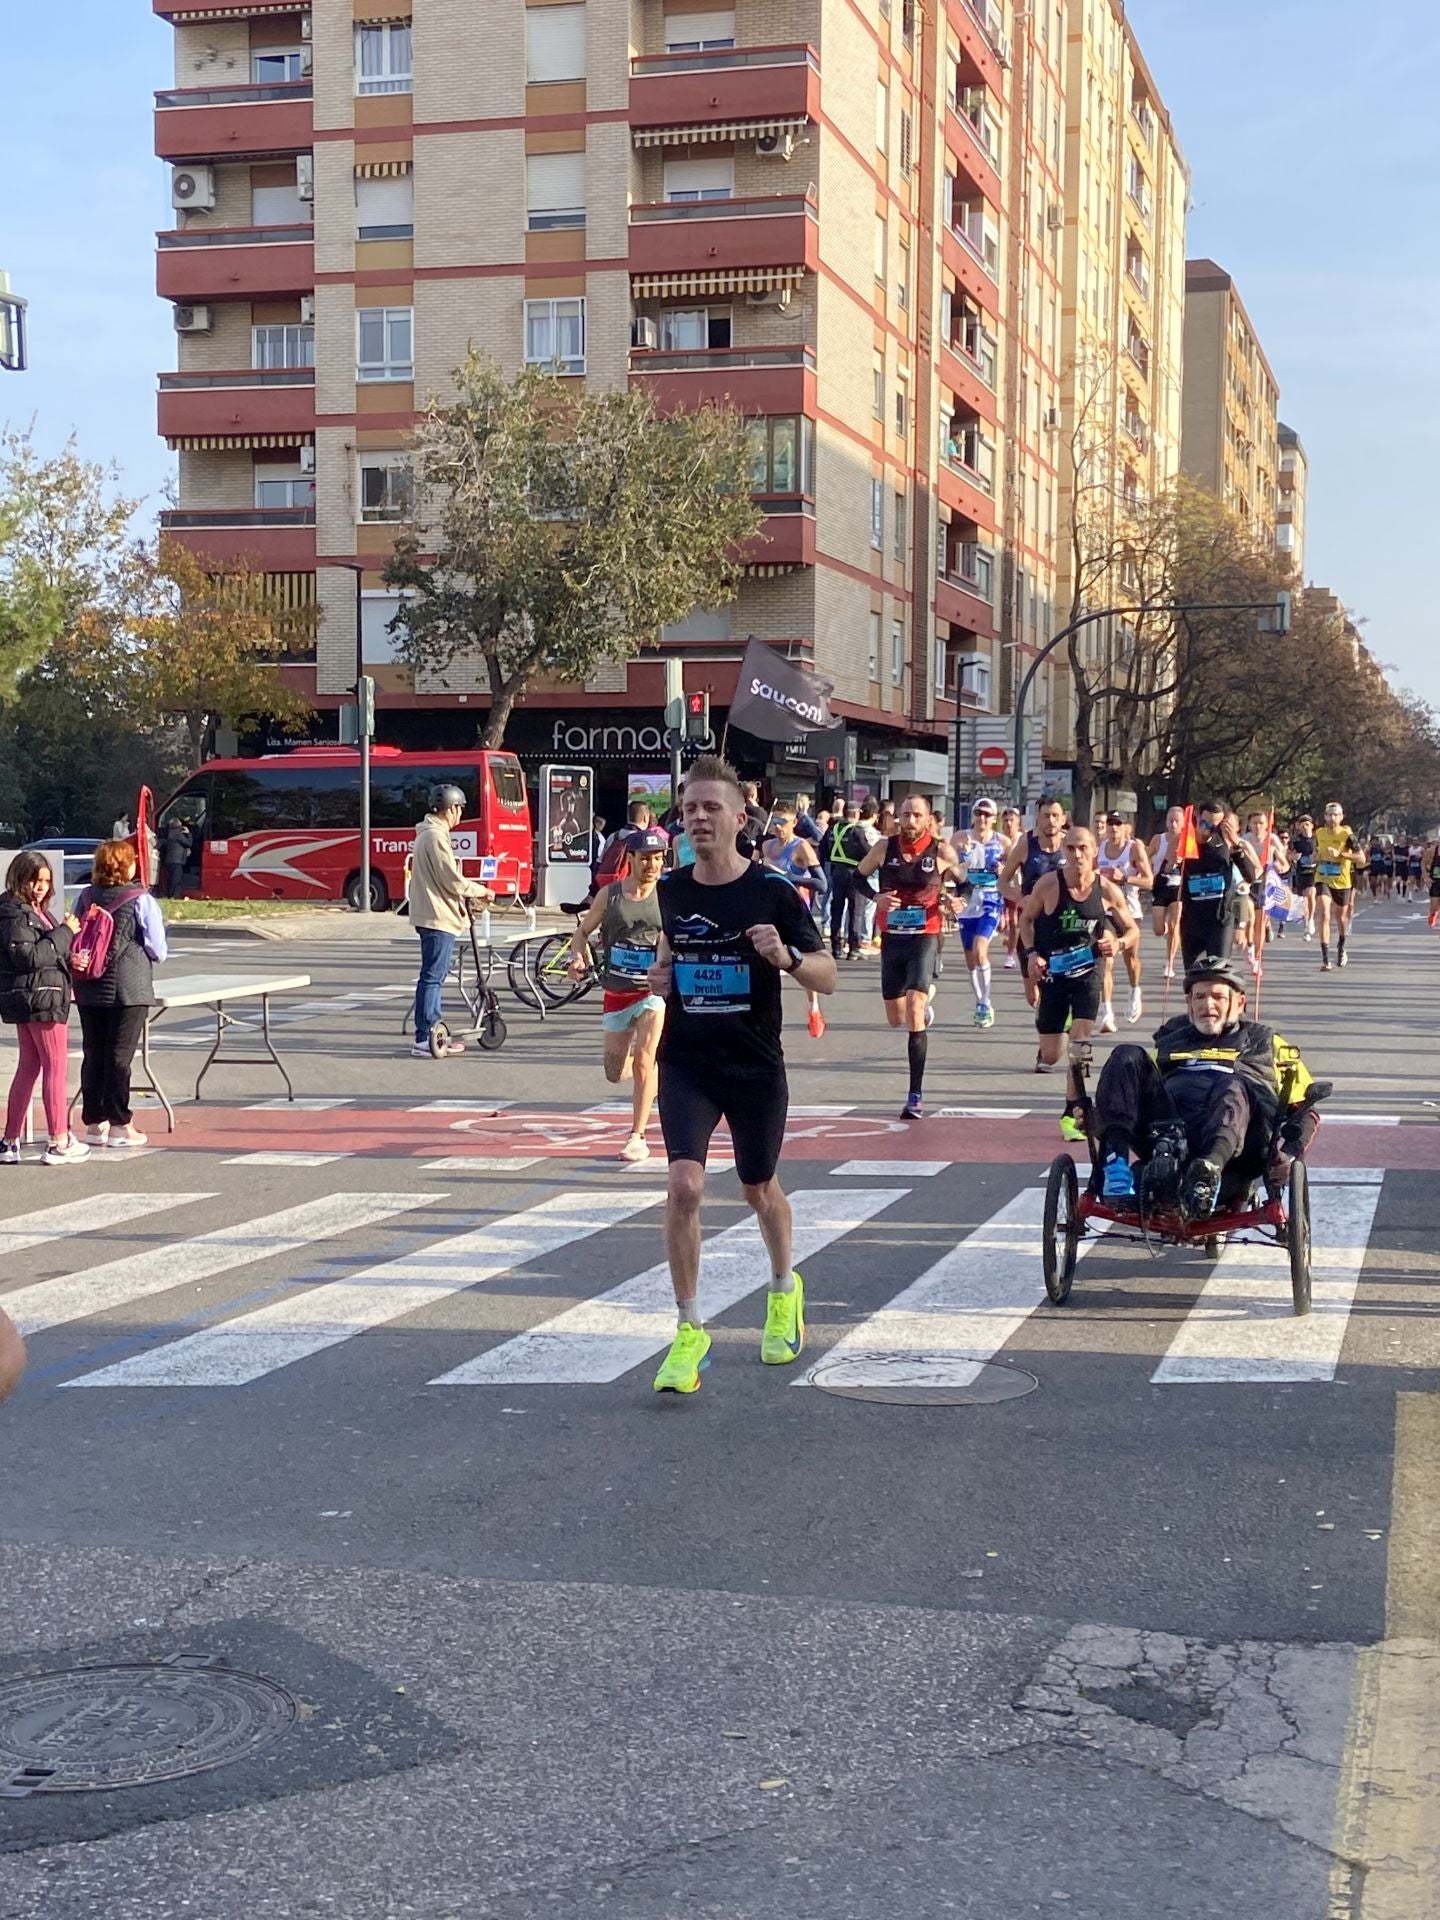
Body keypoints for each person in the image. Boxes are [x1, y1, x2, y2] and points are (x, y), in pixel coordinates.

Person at [646, 754, 835, 1394]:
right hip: (688, 1060)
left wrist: (784, 957)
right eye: (690, 808)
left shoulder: (774, 891)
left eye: (711, 807)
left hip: (754, 1064)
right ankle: (688, 1330)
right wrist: (657, 976)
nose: (698, 817)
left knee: (759, 1188)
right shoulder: (671, 890)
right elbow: (668, 954)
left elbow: (827, 975)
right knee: (684, 1186)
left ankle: (784, 1288)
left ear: (739, 817)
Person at [1093, 953, 1320, 1220]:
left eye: (1217, 996)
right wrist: (1089, 1113)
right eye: (1199, 996)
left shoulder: (1267, 1042)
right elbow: (1132, 1093)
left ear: (1239, 1003)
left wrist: (1290, 1154)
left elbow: (1306, 1110)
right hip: (1170, 1135)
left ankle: (1208, 1172)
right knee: (1126, 1054)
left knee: (1230, 1082)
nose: (1207, 1004)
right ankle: (1115, 1165)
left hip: (1240, 1144)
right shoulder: (1170, 1039)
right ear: (1189, 1002)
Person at [1018, 826, 1138, 1138]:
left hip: (1089, 971)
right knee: (1051, 1055)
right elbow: (1026, 921)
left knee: (1081, 1043)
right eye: (1070, 849)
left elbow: (1131, 930)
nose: (1077, 855)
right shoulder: (1048, 885)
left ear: (1094, 851)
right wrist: (1031, 954)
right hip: (1054, 974)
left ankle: (1075, 1108)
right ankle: (1055, 1024)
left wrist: (1120, 944)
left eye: (1083, 848)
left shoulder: (1107, 889)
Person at [855, 794, 962, 1119]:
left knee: (914, 1012)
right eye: (906, 814)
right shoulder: (884, 848)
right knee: (895, 1017)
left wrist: (955, 902)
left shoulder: (941, 850)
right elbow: (857, 877)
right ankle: (922, 1001)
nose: (911, 821)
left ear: (928, 819)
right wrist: (877, 898)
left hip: (924, 935)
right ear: (897, 817)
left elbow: (965, 884)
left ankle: (915, 1095)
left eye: (917, 815)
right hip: (892, 937)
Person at [569, 827, 668, 1163]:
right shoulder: (609, 895)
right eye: (645, 859)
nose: (652, 866)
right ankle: (652, 1075)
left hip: (652, 992)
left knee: (644, 1058)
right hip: (616, 991)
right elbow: (581, 933)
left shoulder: (667, 895)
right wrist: (577, 956)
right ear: (631, 860)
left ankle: (637, 1136)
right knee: (614, 1071)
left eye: (658, 859)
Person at [72, 838, 168, 1148]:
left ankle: (94, 1124)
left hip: (88, 985)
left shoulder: (86, 897)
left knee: (94, 1053)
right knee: (119, 1056)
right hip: (129, 987)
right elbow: (158, 949)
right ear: (127, 865)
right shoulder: (140, 899)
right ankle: (120, 1124)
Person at [0, 851, 88, 1166]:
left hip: (34, 995)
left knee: (30, 1066)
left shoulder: (29, 911)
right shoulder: (17, 914)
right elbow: (29, 957)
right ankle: (58, 1141)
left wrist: (69, 959)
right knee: (55, 1067)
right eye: (35, 880)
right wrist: (65, 932)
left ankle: (10, 1140)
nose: (41, 887)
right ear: (20, 878)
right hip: (41, 997)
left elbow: (44, 954)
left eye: (46, 881)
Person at [407, 784, 494, 1057]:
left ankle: (429, 1033)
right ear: (452, 808)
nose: (460, 815)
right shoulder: (435, 836)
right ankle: (427, 1036)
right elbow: (451, 879)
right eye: (460, 809)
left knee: (432, 976)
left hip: (432, 913)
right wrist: (481, 889)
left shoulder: (429, 833)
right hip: (437, 916)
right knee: (433, 978)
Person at [762, 803, 827, 1038]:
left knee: (803, 964)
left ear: (794, 823)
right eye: (775, 823)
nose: (778, 828)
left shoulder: (801, 847)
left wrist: (791, 877)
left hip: (797, 911)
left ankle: (814, 1008)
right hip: (769, 912)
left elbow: (822, 884)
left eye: (783, 823)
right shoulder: (766, 846)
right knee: (766, 963)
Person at [999, 796, 1068, 1011]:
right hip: (1032, 926)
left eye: (1056, 816)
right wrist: (1021, 898)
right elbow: (1002, 882)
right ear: (1038, 818)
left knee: (1058, 990)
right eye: (1046, 816)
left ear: (1063, 819)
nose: (1051, 821)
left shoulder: (1071, 845)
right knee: (1034, 996)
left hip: (1063, 924)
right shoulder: (1026, 846)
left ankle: (1053, 1035)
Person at [1177, 802, 1260, 971]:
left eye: (1215, 826)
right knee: (1193, 975)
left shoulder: (1227, 842)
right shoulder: (1186, 841)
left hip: (1221, 917)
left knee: (1218, 971)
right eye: (1206, 824)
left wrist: (1236, 844)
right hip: (1193, 918)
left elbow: (1250, 876)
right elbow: (1165, 873)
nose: (1210, 830)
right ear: (1198, 818)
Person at [951, 796, 1008, 1028]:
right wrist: (961, 861)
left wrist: (1005, 871)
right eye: (978, 813)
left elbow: (1014, 872)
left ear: (994, 819)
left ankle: (985, 1002)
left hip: (991, 900)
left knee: (980, 949)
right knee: (971, 959)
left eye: (987, 814)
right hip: (967, 902)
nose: (982, 818)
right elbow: (949, 871)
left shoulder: (1003, 842)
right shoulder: (959, 838)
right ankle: (980, 1000)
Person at [1096, 811, 1152, 1027]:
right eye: (1110, 823)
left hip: (1129, 912)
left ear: (1126, 827)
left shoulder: (1134, 848)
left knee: (1130, 960)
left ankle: (1134, 991)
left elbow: (1149, 881)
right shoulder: (1099, 847)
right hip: (1106, 911)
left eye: (1118, 824)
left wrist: (1125, 878)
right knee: (1106, 960)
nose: (1113, 828)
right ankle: (1107, 1013)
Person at [1314, 800, 1365, 971]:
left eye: (1335, 814)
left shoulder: (1347, 835)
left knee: (1341, 918)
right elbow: (1316, 852)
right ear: (1324, 816)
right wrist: (1315, 857)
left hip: (1342, 880)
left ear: (1341, 817)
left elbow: (1361, 858)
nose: (1332, 818)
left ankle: (1341, 946)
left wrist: (1341, 854)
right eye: (1329, 814)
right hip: (1323, 877)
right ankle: (1325, 958)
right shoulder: (1319, 833)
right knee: (1324, 914)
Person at [1146, 805, 1186, 981]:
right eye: (1170, 820)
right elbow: (1145, 856)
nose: (1173, 824)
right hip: (1160, 884)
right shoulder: (1158, 839)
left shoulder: (1187, 840)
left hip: (1179, 886)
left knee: (1173, 926)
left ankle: (1169, 963)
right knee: (1158, 929)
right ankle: (1168, 936)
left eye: (1177, 820)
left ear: (1183, 822)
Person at [998, 805, 1024, 969]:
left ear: (1018, 822)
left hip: (1016, 886)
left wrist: (1009, 867)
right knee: (1001, 924)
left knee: (1014, 922)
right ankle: (1007, 935)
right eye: (1005, 820)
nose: (1008, 824)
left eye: (1011, 820)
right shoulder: (998, 840)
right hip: (998, 887)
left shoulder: (1023, 840)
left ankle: (1010, 954)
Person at [1289, 814, 1319, 940]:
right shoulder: (1296, 841)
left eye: (1307, 824)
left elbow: (1323, 851)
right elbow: (1287, 853)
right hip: (1302, 872)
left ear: (1312, 826)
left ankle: (1311, 919)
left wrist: (1318, 856)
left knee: (1311, 894)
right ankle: (1307, 925)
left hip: (1315, 872)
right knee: (1305, 899)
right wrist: (1292, 856)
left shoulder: (1318, 839)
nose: (1305, 827)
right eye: (1302, 825)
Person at [160, 813, 193, 899]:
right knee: (176, 879)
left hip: (170, 859)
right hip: (177, 860)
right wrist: (189, 833)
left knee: (171, 878)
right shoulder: (178, 835)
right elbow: (188, 843)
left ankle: (170, 895)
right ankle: (174, 896)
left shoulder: (171, 833)